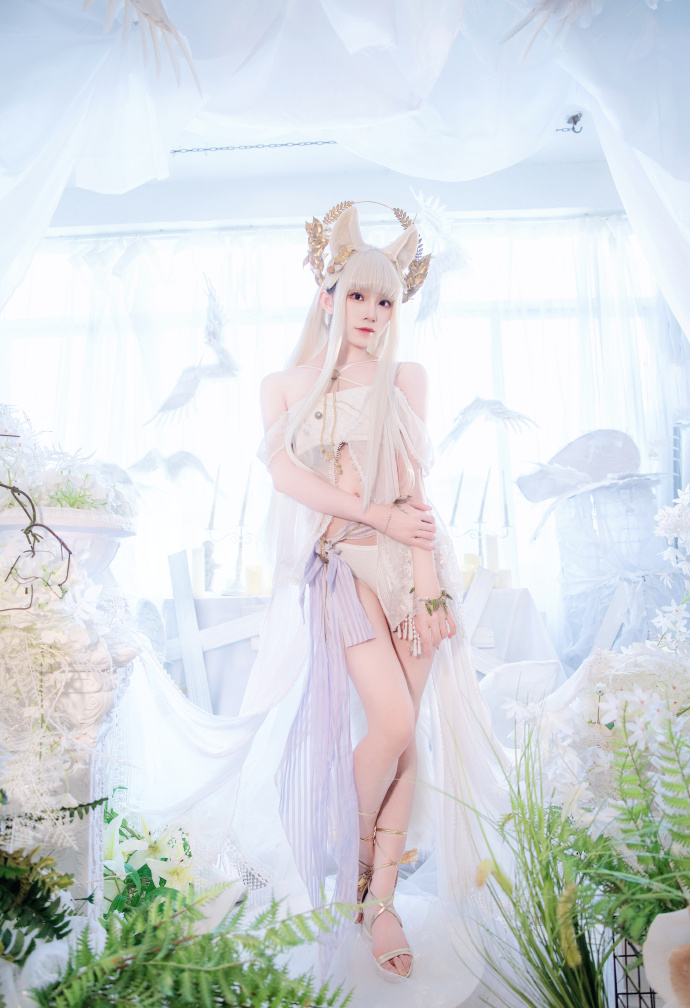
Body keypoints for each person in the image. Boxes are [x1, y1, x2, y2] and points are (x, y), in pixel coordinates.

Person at [256, 203, 501, 982]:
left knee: (408, 736)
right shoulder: (287, 386)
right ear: (327, 296)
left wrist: (429, 588)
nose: (370, 312)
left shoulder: (408, 379)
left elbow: (416, 493)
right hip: (346, 567)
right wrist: (377, 518)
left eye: (385, 300)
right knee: (389, 722)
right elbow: (286, 477)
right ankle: (357, 864)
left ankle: (379, 901)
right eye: (357, 295)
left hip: (414, 568)